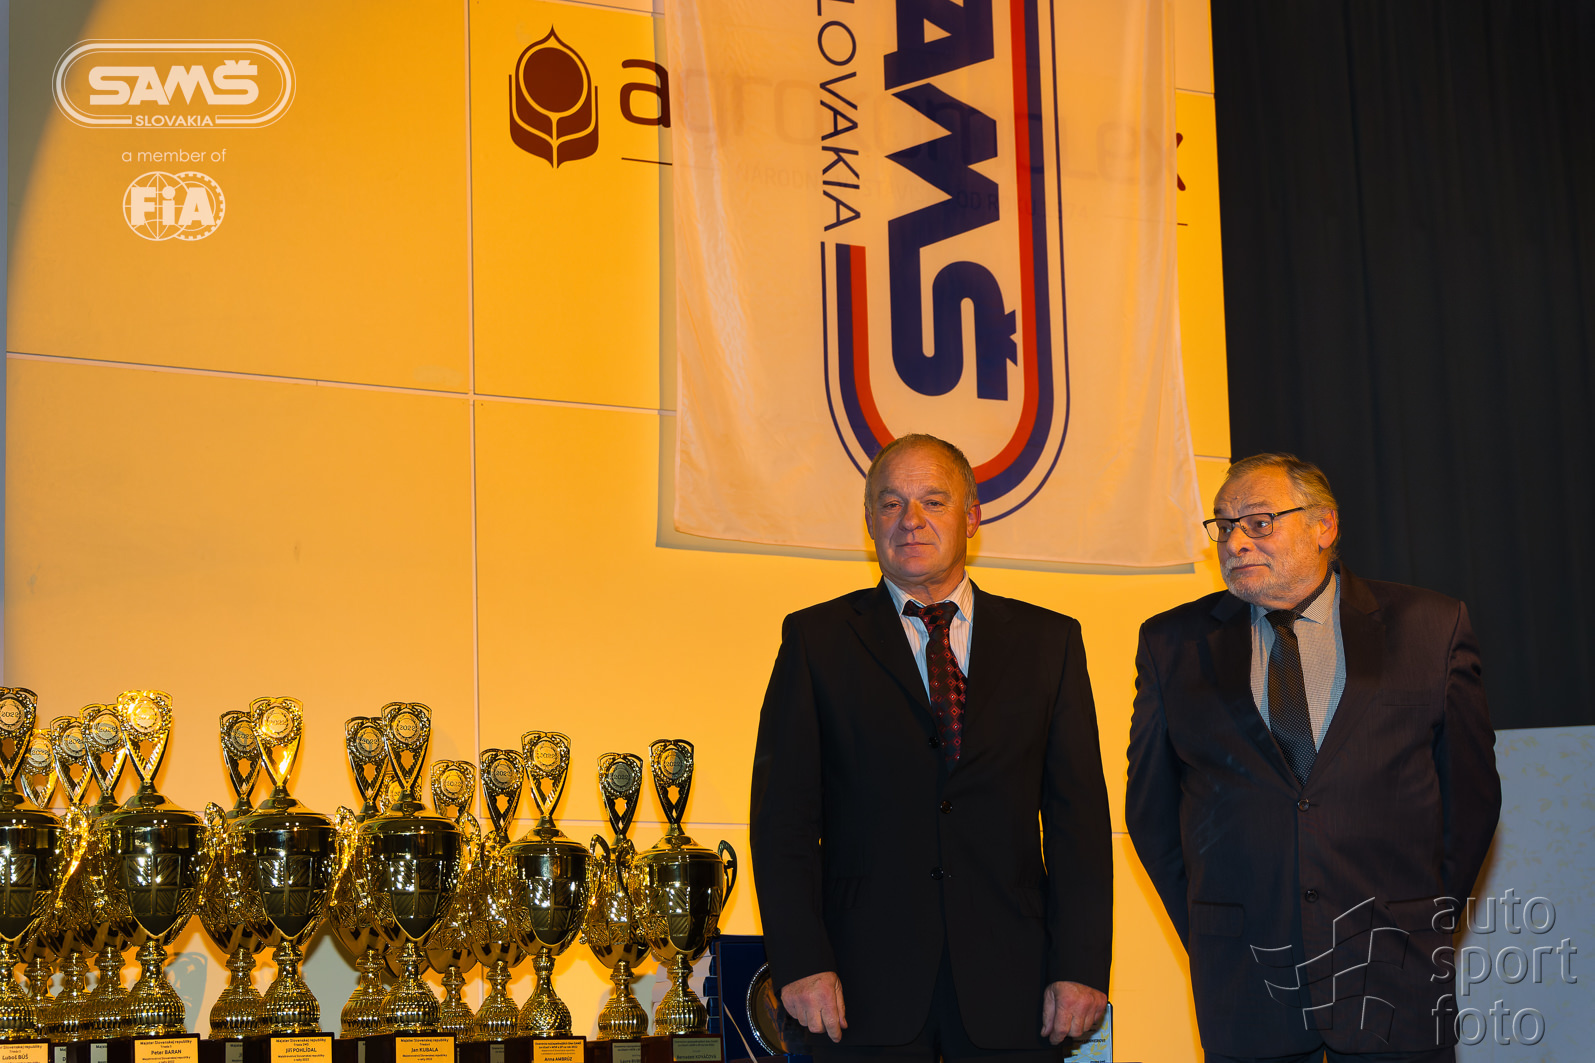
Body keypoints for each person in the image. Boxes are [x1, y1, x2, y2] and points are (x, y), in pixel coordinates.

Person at [1126, 453, 1501, 1063]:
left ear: (1323, 526)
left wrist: (1421, 919)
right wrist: (1214, 928)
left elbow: (1472, 801)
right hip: (1244, 980)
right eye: (1224, 526)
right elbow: (1151, 812)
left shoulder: (1430, 627)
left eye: (1259, 522)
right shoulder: (1172, 642)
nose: (1235, 542)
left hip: (1394, 973)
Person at [749, 433, 1111, 1061]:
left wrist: (1081, 965)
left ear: (972, 517)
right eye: (890, 504)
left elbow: (1078, 820)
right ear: (869, 522)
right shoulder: (815, 640)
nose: (910, 520)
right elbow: (783, 821)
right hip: (857, 988)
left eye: (933, 501)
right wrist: (800, 961)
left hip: (1017, 984)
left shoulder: (1050, 642)